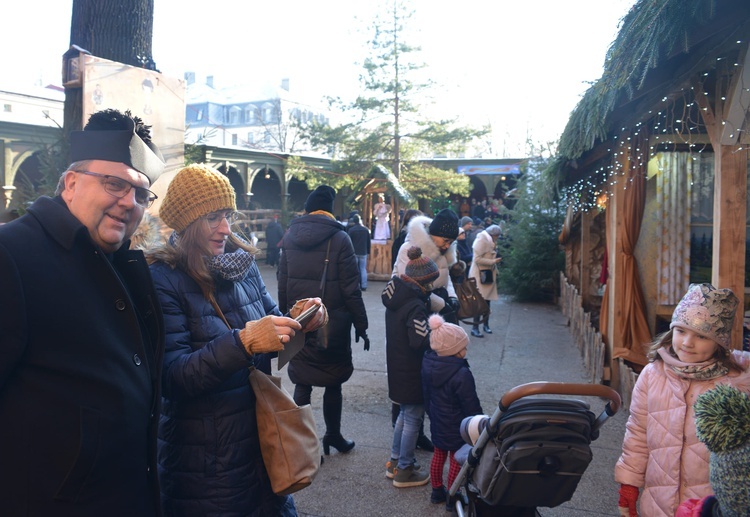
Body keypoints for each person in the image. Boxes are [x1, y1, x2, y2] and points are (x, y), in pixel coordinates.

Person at [0, 109, 166, 515]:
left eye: (141, 194)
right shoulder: (12, 255)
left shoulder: (124, 263)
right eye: (114, 183)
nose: (128, 202)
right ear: (71, 183)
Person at [147, 164, 326, 516]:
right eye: (214, 217)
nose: (226, 229)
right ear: (188, 221)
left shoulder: (243, 267)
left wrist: (303, 320)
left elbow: (275, 329)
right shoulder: (162, 279)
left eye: (228, 215)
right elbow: (172, 378)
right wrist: (243, 342)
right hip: (205, 463)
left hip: (260, 443)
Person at [615, 283, 750, 517]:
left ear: (719, 341)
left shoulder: (737, 385)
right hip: (658, 501)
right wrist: (629, 482)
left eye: (701, 335)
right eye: (681, 331)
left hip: (707, 505)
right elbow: (637, 431)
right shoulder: (652, 374)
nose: (687, 342)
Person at [278, 185, 369, 456]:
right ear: (330, 210)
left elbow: (282, 281)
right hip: (333, 323)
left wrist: (286, 316)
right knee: (333, 383)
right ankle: (333, 435)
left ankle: (302, 447)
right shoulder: (340, 239)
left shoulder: (291, 235)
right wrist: (361, 325)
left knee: (302, 383)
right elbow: (351, 289)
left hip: (300, 320)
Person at [383, 246, 437, 488]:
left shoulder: (396, 296)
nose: (433, 287)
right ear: (423, 282)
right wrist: (434, 330)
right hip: (412, 370)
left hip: (397, 365)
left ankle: (396, 462)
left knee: (404, 417)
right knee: (413, 418)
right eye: (431, 282)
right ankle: (404, 469)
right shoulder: (415, 305)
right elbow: (419, 340)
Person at [421, 314, 483, 510]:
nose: (465, 350)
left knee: (438, 455)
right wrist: (479, 422)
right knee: (457, 460)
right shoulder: (462, 374)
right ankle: (453, 495)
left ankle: (436, 491)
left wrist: (431, 413)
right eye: (463, 347)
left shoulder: (428, 364)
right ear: (452, 350)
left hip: (438, 420)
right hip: (458, 425)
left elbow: (426, 394)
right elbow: (470, 403)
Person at [676, 384, 750, 516]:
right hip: (661, 488)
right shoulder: (652, 374)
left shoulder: (740, 380)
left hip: (710, 488)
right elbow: (638, 432)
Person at [392, 208, 460, 324]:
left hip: (439, 310)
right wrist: (442, 305)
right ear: (435, 233)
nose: (447, 246)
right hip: (415, 311)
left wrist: (452, 296)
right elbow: (410, 287)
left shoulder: (443, 251)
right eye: (446, 240)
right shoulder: (408, 249)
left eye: (451, 242)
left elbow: (445, 276)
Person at [468, 224, 502, 337]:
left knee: (487, 301)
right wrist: (493, 262)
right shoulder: (482, 240)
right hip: (480, 275)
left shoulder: (490, 240)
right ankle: (475, 328)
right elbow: (476, 259)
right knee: (479, 302)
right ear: (493, 235)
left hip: (487, 274)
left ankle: (485, 325)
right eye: (497, 236)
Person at [347, 213, 371, 291]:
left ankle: (355, 285)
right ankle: (364, 285)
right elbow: (368, 242)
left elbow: (349, 242)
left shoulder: (351, 230)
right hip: (363, 252)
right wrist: (368, 252)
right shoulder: (365, 229)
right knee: (363, 269)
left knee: (355, 269)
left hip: (354, 252)